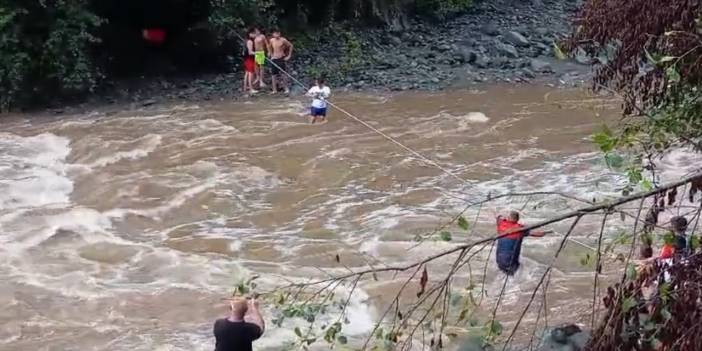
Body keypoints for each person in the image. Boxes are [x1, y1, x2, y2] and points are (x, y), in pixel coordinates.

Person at [495, 211, 546, 275]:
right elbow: (538, 234)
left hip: (499, 260)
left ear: (508, 218)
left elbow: (498, 216)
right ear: (517, 219)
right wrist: (545, 233)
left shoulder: (500, 224)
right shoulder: (520, 230)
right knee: (516, 273)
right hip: (511, 263)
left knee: (502, 273)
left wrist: (502, 217)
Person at [268, 28, 294, 94]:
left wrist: (289, 56)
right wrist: (270, 54)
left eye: (278, 33)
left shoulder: (283, 40)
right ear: (273, 34)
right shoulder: (272, 40)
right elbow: (269, 47)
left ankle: (286, 88)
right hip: (274, 58)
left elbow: (291, 46)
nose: (277, 34)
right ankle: (274, 89)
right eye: (275, 33)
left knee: (283, 74)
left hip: (281, 58)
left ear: (280, 33)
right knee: (273, 75)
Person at [242, 29, 258, 94]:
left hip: (246, 59)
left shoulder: (247, 41)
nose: (255, 35)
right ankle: (251, 89)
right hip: (249, 59)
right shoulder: (250, 41)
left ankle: (245, 87)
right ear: (250, 34)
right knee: (251, 73)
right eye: (254, 33)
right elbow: (250, 52)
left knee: (247, 73)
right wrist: (258, 53)